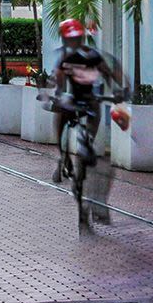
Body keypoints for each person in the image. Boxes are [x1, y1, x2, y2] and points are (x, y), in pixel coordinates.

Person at [46, 19, 125, 210]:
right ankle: (62, 155)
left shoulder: (92, 55)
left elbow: (109, 74)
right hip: (71, 99)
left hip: (90, 100)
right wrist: (55, 94)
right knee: (60, 114)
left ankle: (87, 143)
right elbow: (58, 80)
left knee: (94, 115)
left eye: (77, 38)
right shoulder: (64, 57)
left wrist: (118, 91)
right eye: (70, 39)